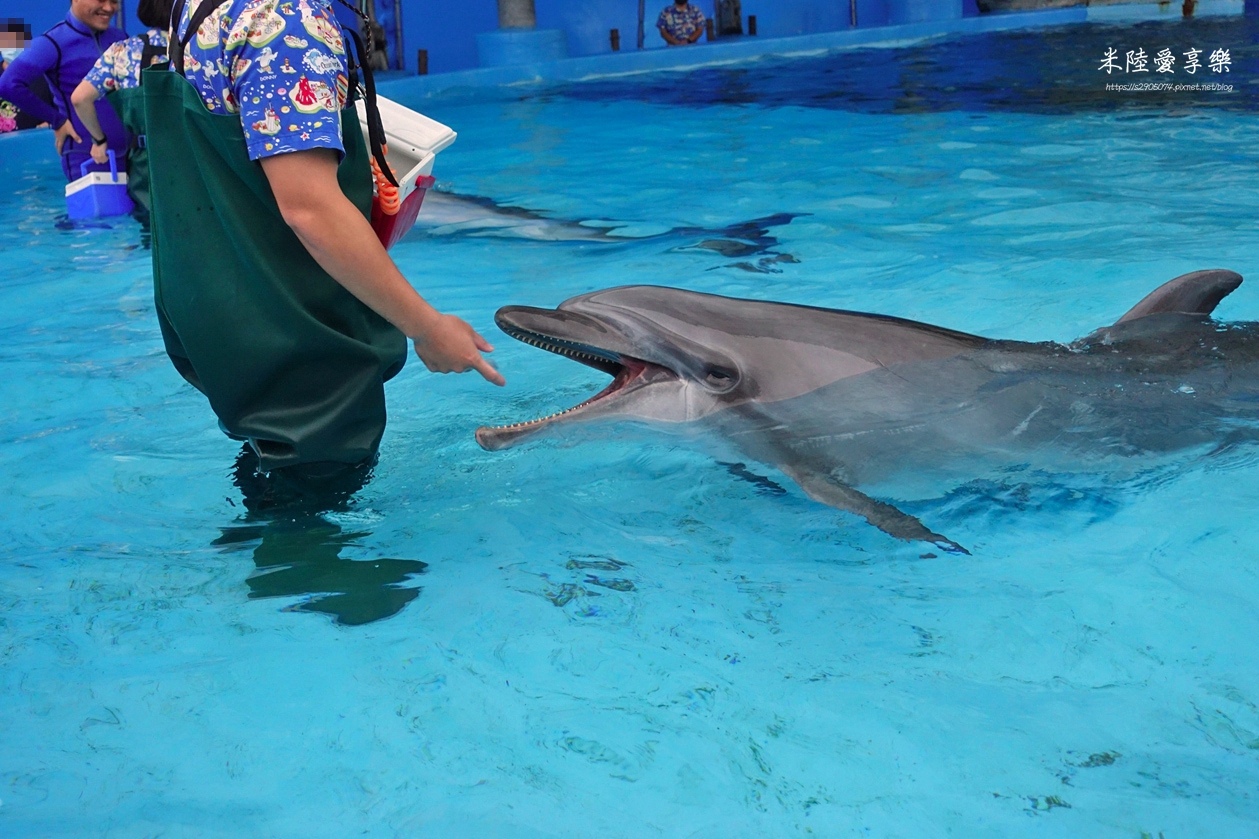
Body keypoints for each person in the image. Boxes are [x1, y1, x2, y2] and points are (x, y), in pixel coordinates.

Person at [140, 0, 503, 478]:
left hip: (225, 313)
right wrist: (428, 328)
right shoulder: (285, 21)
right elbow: (311, 211)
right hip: (295, 327)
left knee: (272, 468)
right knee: (316, 510)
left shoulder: (199, 8)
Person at [0, 1, 127, 178]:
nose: (108, 8)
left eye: (114, 1)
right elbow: (8, 85)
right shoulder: (53, 42)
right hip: (87, 158)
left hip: (132, 155)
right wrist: (56, 119)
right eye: (100, 0)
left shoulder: (119, 37)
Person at [70, 0, 172, 211]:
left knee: (148, 227)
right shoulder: (198, 48)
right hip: (194, 156)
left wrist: (99, 140)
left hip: (145, 161)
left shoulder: (122, 51)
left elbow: (79, 98)